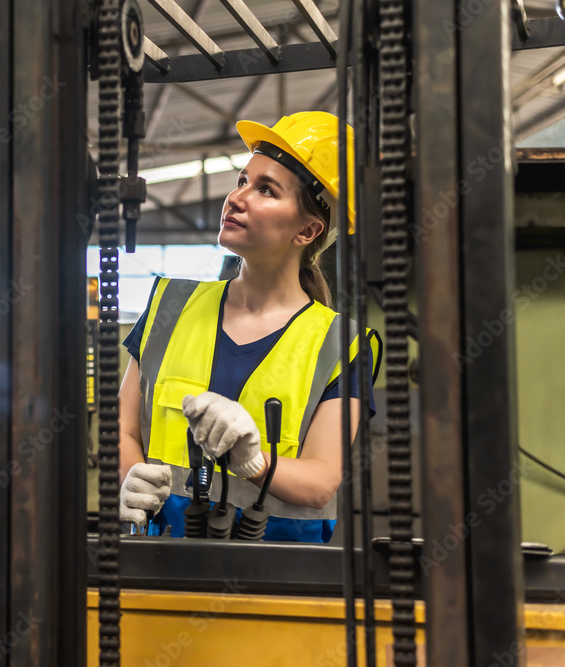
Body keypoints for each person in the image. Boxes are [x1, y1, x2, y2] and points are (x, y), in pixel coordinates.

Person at [117, 111, 380, 543]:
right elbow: (123, 430)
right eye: (242, 180)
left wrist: (254, 462)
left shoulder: (340, 343)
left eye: (265, 190)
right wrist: (130, 478)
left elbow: (321, 483)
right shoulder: (170, 304)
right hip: (160, 562)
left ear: (307, 230)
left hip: (277, 574)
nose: (236, 198)